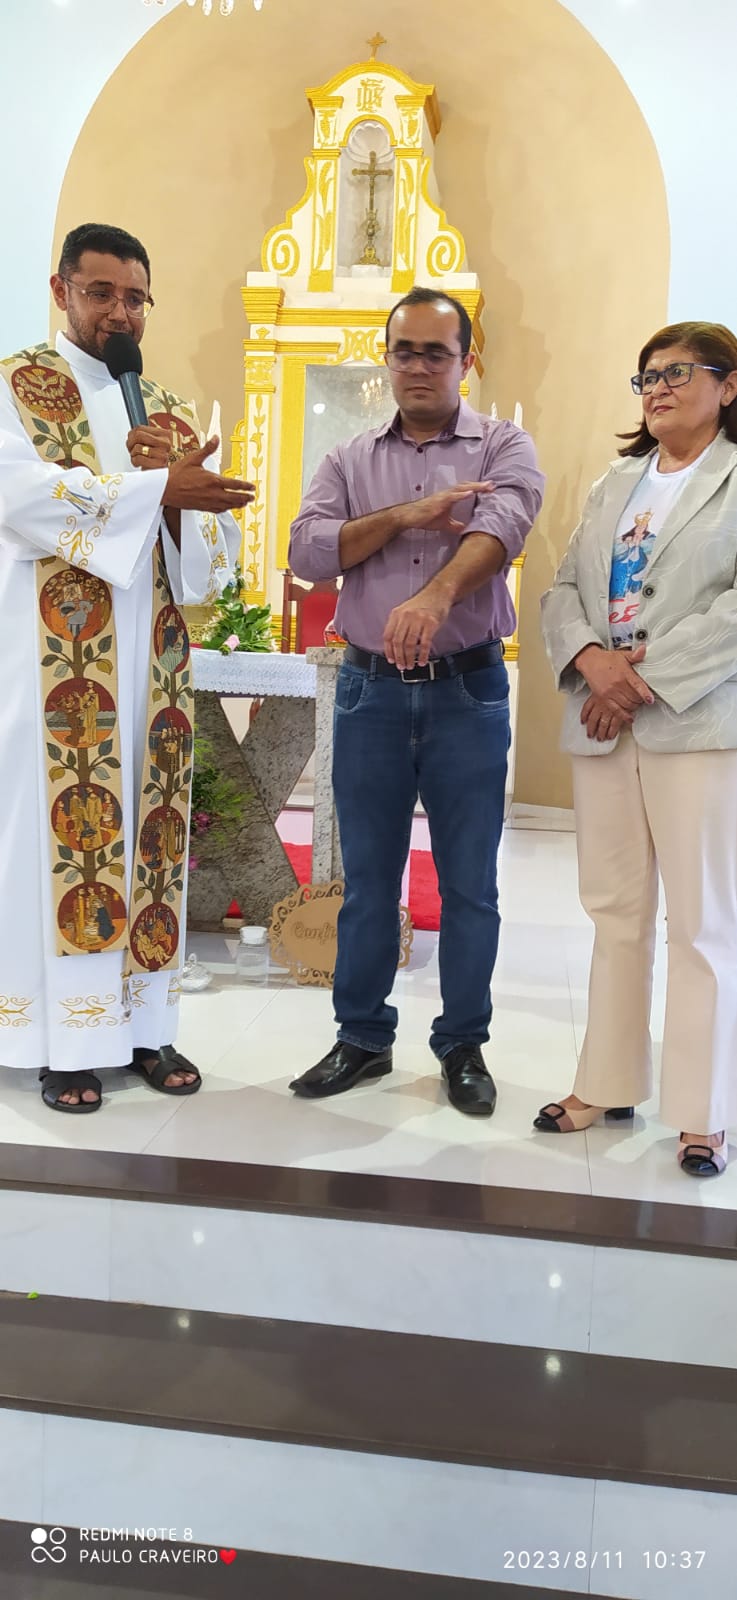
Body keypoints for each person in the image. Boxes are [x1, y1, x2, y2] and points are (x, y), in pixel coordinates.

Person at [0, 221, 253, 1113]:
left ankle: (145, 1027)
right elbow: (21, 496)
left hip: (152, 680)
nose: (120, 311)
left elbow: (208, 565)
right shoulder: (15, 388)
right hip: (54, 675)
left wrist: (184, 506)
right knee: (58, 841)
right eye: (100, 292)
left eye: (136, 297)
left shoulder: (169, 410)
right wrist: (155, 491)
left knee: (150, 843)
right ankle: (62, 1041)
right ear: (61, 290)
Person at [288, 287, 544, 1114]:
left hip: (466, 689)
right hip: (368, 691)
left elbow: (502, 527)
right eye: (405, 351)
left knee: (469, 885)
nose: (419, 366)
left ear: (466, 360)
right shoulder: (347, 458)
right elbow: (308, 554)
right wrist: (407, 514)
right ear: (387, 358)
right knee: (367, 881)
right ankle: (361, 1038)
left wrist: (433, 596)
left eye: (437, 352)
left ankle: (462, 1043)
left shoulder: (503, 444)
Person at [537, 321, 737, 1177]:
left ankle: (702, 1113)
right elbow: (562, 589)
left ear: (727, 386)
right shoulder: (614, 482)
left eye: (678, 372)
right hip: (602, 720)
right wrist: (592, 662)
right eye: (647, 375)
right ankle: (607, 1082)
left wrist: (639, 680)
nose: (656, 386)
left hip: (694, 723)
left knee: (700, 923)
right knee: (614, 911)